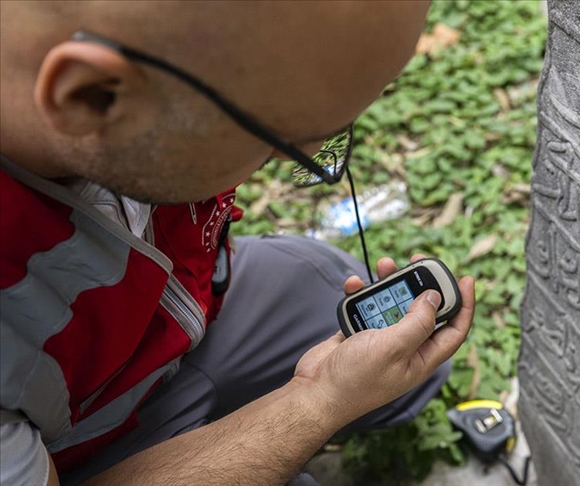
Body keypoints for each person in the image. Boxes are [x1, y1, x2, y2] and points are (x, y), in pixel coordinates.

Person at [0, 2, 475, 485]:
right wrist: (318, 400)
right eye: (286, 142)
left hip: (178, 325)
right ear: (95, 98)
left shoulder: (149, 105)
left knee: (361, 317)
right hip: (72, 448)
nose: (316, 159)